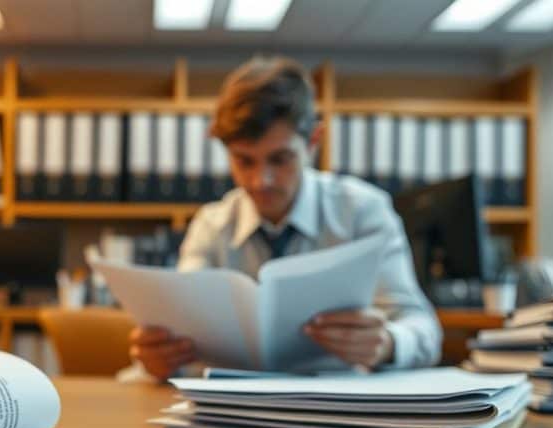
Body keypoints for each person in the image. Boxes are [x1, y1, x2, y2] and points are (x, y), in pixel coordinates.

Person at [129, 56, 442, 381]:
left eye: (280, 159)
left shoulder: (362, 211)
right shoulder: (211, 225)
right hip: (230, 411)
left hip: (337, 409)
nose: (259, 181)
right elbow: (179, 333)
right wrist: (160, 358)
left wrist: (388, 343)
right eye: (243, 160)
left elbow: (423, 329)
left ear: (313, 142)